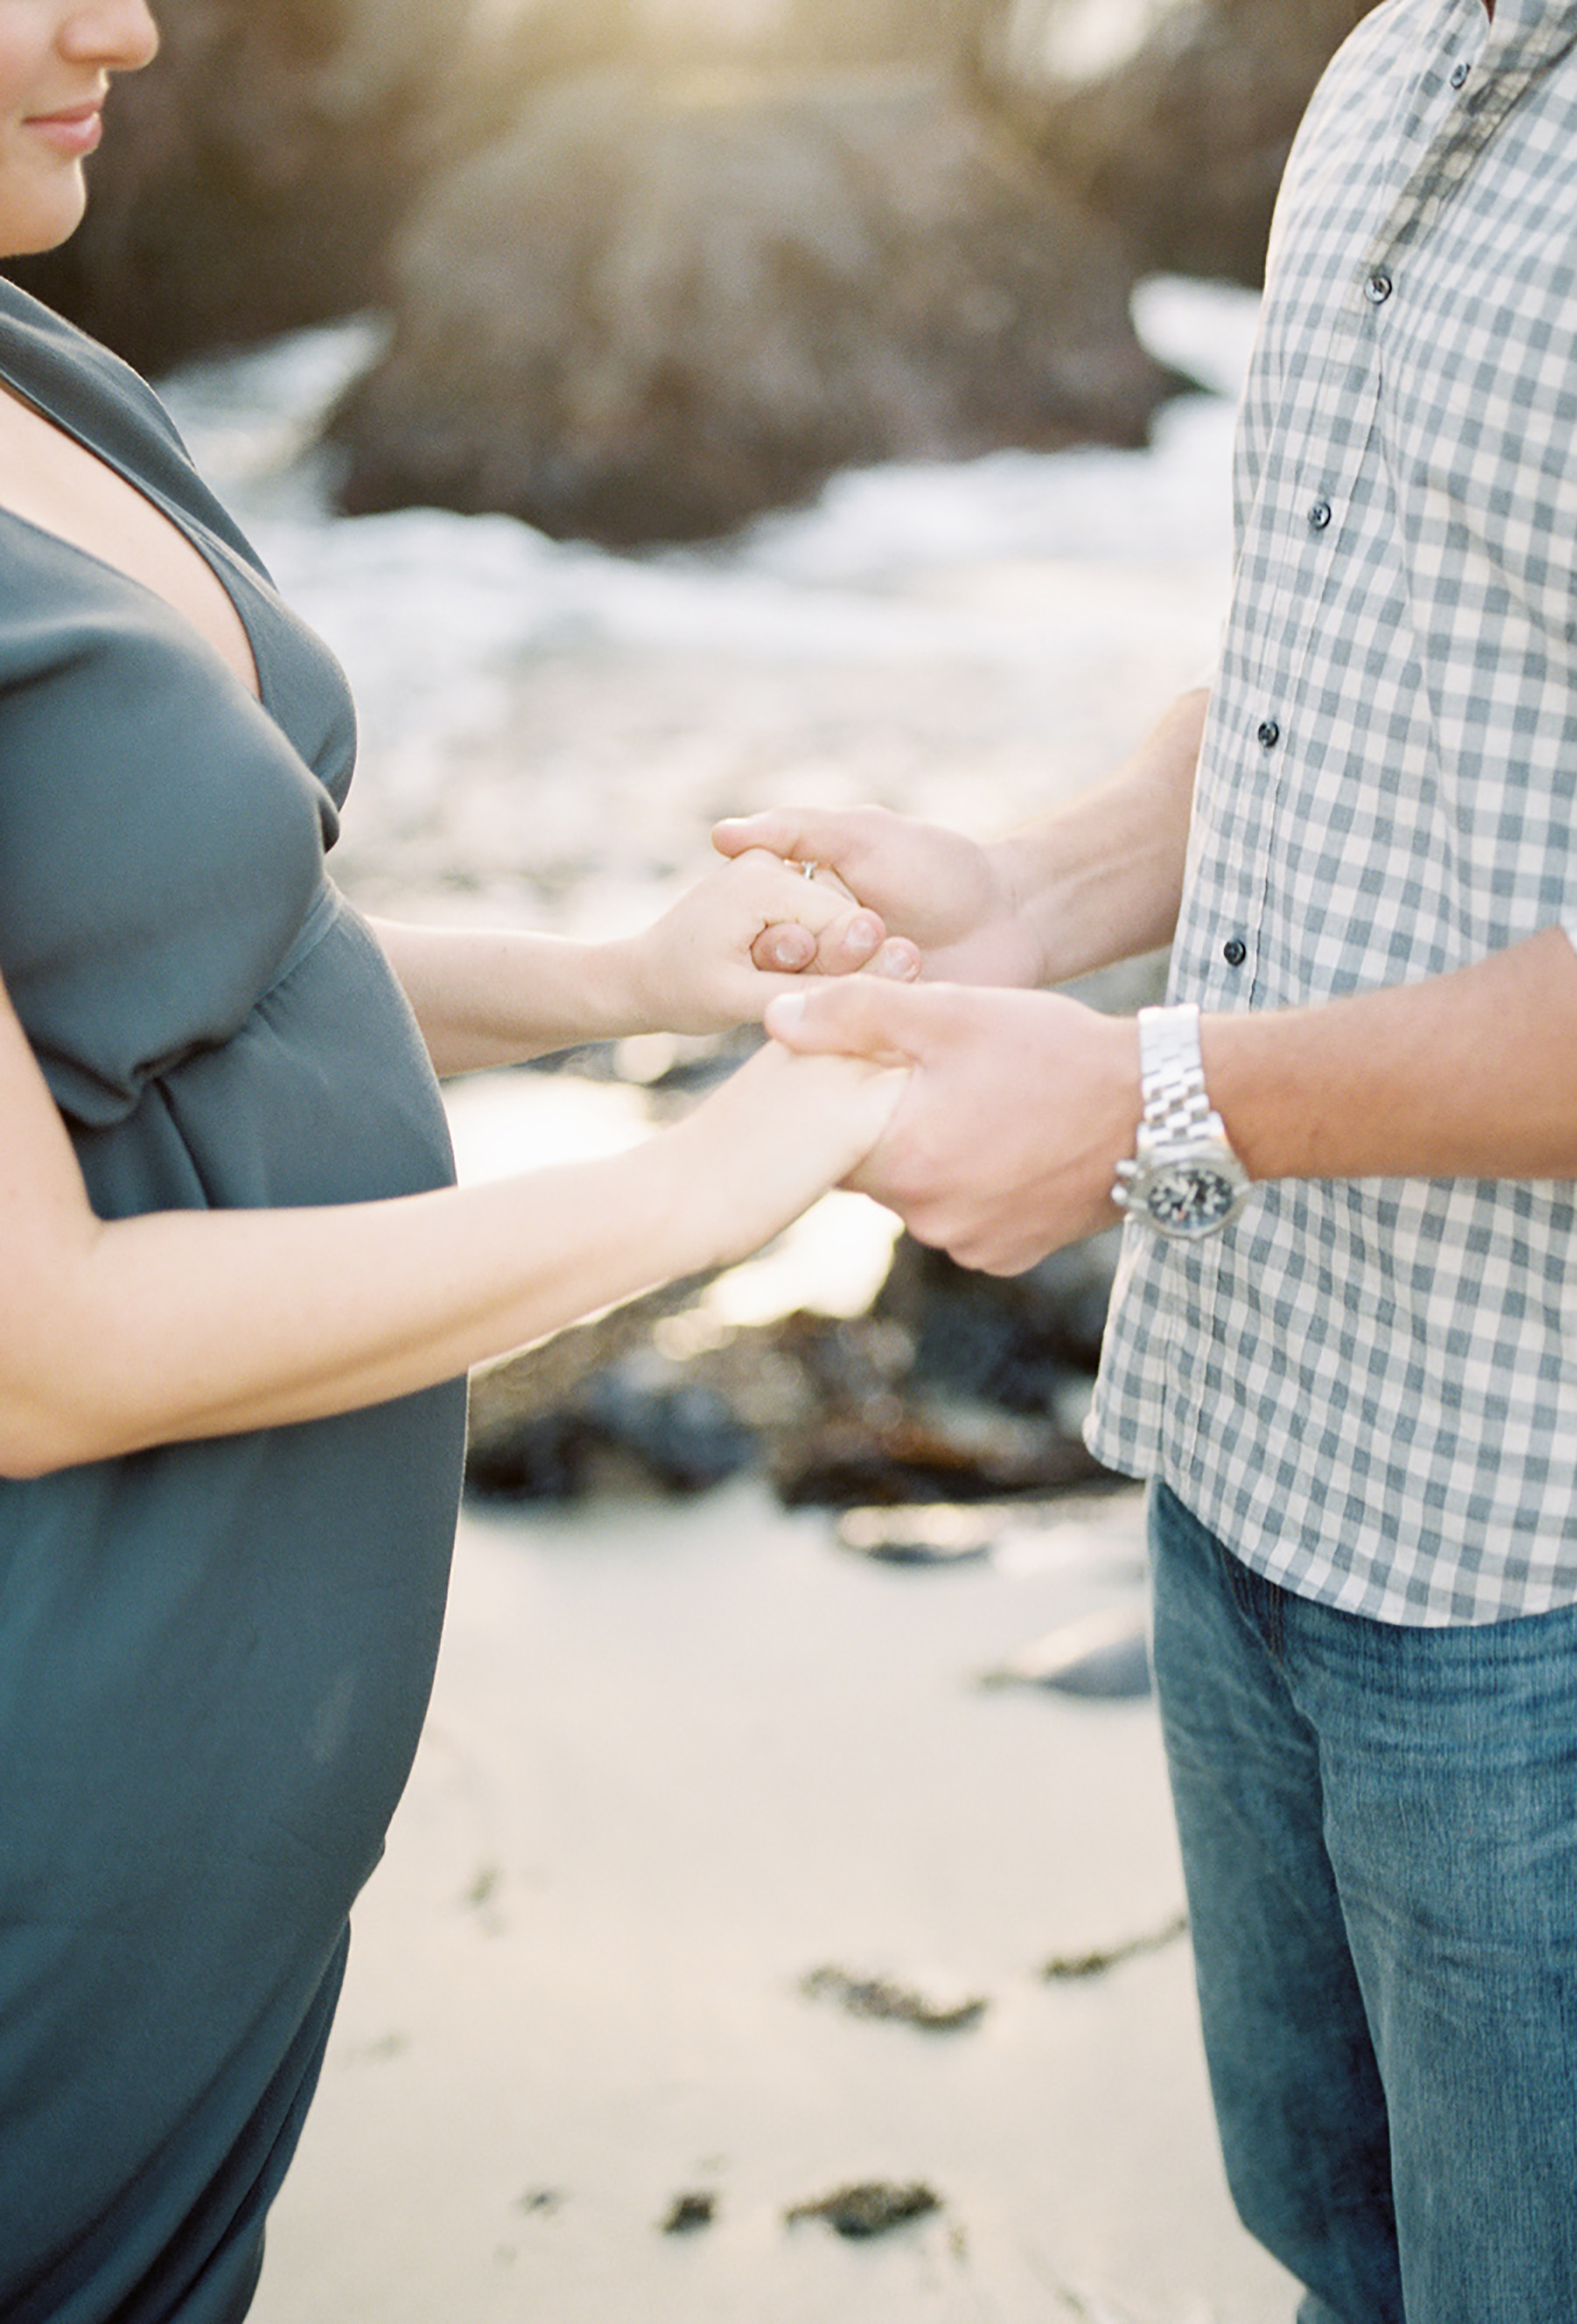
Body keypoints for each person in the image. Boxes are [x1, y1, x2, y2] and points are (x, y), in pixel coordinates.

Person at [719, 1, 1577, 2316]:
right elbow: (1370, 655)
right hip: (1258, 1439)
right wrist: (1038, 894)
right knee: (1339, 2263)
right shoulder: (1392, 58)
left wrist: (1162, 1103)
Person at [0, 4, 914, 2316]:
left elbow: (178, 973)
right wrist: (712, 1193)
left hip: (215, 1823)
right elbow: (36, 1349)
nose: (134, 21)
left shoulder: (32, 357)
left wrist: (624, 981)